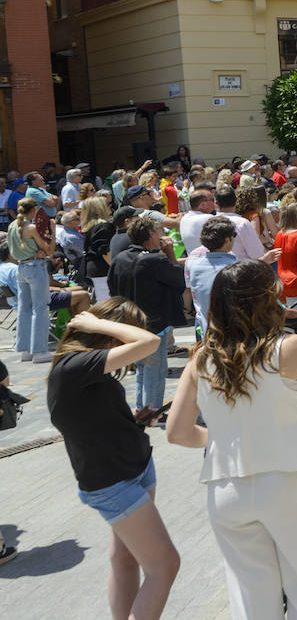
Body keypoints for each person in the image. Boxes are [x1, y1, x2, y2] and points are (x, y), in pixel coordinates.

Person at [166, 259, 297, 619]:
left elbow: (177, 432)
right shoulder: (288, 348)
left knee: (250, 596)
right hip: (286, 476)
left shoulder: (202, 356)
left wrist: (224, 439)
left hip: (226, 485)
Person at [48, 301, 179, 618]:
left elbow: (91, 419)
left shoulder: (85, 368)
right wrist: (96, 323)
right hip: (113, 481)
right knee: (165, 565)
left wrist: (131, 421)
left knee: (125, 558)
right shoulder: (74, 366)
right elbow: (151, 342)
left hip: (133, 467)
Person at [109, 217, 184, 424]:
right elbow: (179, 278)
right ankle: (153, 412)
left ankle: (143, 409)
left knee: (143, 366)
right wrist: (170, 253)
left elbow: (111, 288)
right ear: (151, 235)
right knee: (155, 368)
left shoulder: (120, 258)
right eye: (158, 232)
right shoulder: (154, 260)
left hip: (129, 321)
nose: (160, 236)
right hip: (153, 322)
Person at [8, 198, 53, 362]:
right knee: (40, 309)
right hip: (35, 266)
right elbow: (47, 249)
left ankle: (26, 350)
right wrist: (52, 232)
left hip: (21, 267)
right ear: (34, 209)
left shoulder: (12, 225)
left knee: (24, 309)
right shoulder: (31, 227)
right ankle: (40, 351)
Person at [185, 217, 238, 337]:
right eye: (234, 235)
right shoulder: (233, 266)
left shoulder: (194, 264)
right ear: (227, 240)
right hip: (231, 332)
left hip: (206, 329)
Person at [81, 196, 116, 302]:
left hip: (94, 269)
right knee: (107, 303)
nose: (110, 206)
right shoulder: (104, 226)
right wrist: (115, 268)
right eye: (107, 204)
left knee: (103, 301)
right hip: (103, 268)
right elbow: (104, 251)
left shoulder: (90, 228)